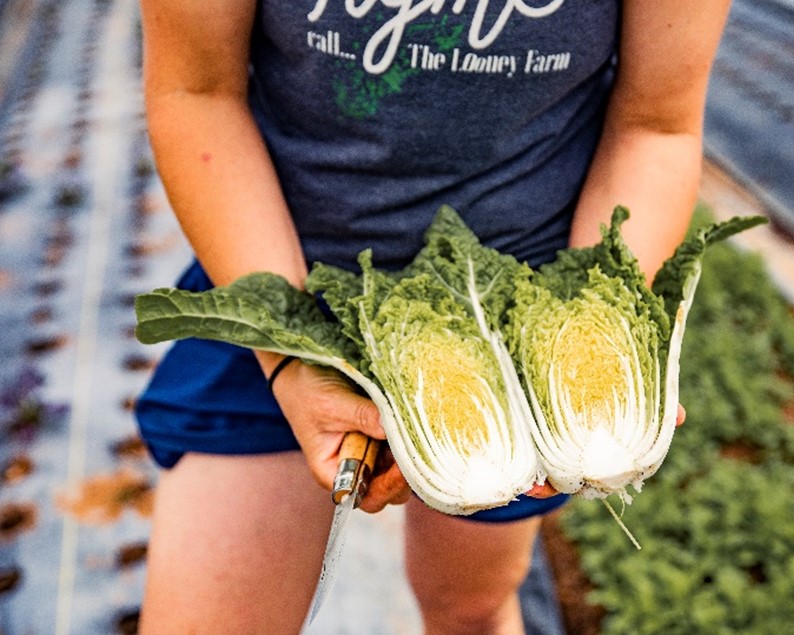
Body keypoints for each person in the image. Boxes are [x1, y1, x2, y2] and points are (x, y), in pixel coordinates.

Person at [134, 2, 730, 633]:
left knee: (467, 608)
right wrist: (287, 355)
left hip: (518, 325)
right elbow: (196, 92)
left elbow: (656, 126)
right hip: (280, 280)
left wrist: (586, 338)